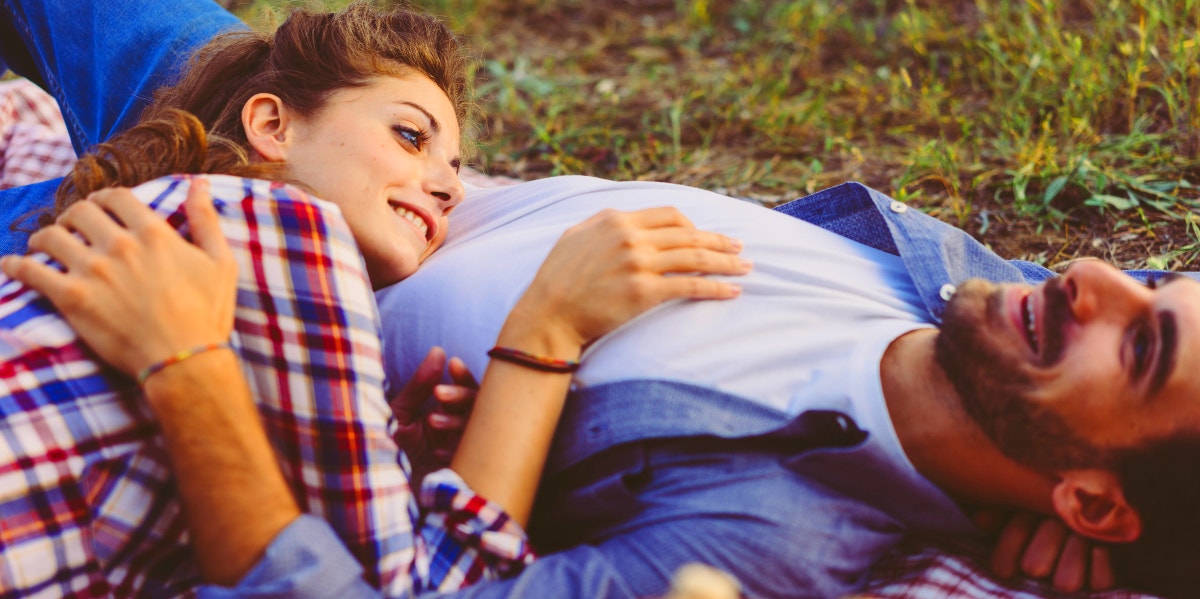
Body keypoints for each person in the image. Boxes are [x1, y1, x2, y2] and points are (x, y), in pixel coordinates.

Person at [1, 1, 1192, 598]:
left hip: (210, 269)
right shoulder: (970, 294)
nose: (1085, 279)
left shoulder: (774, 536)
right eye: (1150, 283)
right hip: (313, 139)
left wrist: (541, 342)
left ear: (1092, 495)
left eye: (1139, 345)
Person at [0, 1, 747, 596]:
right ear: (272, 123)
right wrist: (544, 330)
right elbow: (426, 585)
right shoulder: (300, 230)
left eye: (456, 169)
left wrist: (384, 450)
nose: (454, 187)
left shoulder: (224, 227)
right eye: (410, 136)